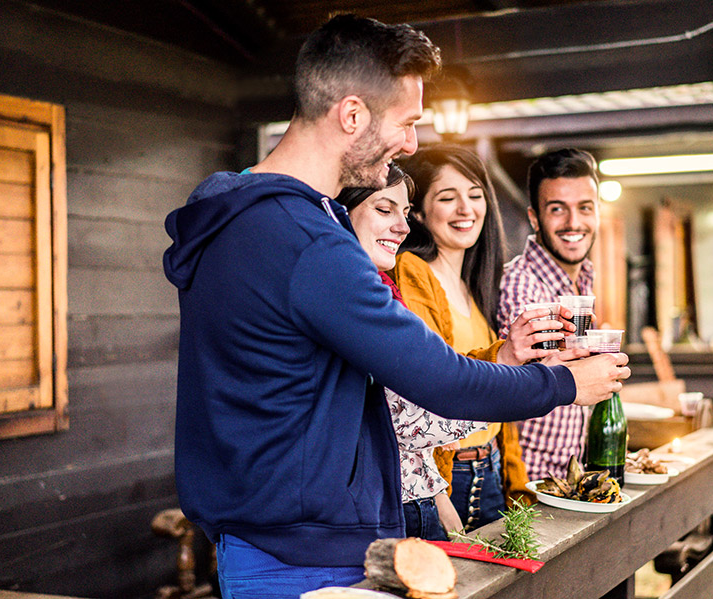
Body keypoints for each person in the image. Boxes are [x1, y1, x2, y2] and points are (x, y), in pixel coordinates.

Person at [163, 15, 629, 598]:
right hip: (304, 558)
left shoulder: (250, 219)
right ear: (352, 115)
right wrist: (565, 383)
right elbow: (438, 378)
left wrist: (508, 362)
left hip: (268, 540)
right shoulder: (303, 242)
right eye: (406, 122)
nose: (411, 143)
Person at [394, 145, 564, 530]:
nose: (466, 209)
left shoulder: (479, 284)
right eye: (447, 197)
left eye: (475, 195)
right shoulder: (412, 272)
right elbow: (426, 387)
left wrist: (515, 485)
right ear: (418, 212)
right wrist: (436, 497)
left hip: (489, 467)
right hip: (445, 476)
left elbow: (500, 401)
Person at [336, 165, 484, 541]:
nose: (403, 227)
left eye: (403, 213)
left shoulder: (381, 288)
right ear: (340, 211)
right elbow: (406, 417)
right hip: (381, 509)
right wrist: (521, 388)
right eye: (384, 210)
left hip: (412, 497)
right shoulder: (350, 298)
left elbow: (390, 416)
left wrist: (433, 489)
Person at [498, 148, 604, 482]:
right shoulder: (521, 286)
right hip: (528, 487)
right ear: (534, 218)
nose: (574, 223)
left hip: (568, 476)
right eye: (557, 209)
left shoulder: (581, 280)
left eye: (584, 208)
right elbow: (524, 381)